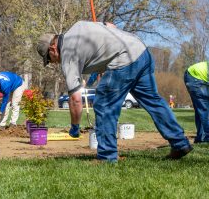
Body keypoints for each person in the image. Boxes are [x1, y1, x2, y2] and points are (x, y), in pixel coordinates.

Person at [37, 21, 192, 162]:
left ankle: (107, 156)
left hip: (124, 59)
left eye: (49, 59)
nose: (53, 63)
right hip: (141, 51)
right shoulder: (78, 26)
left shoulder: (67, 54)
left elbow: (76, 99)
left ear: (53, 49)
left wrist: (75, 128)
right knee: (154, 101)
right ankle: (180, 143)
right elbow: (110, 26)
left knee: (104, 106)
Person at [184, 61, 209, 143]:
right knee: (204, 108)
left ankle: (201, 137)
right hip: (195, 77)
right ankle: (206, 137)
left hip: (194, 75)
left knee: (201, 109)